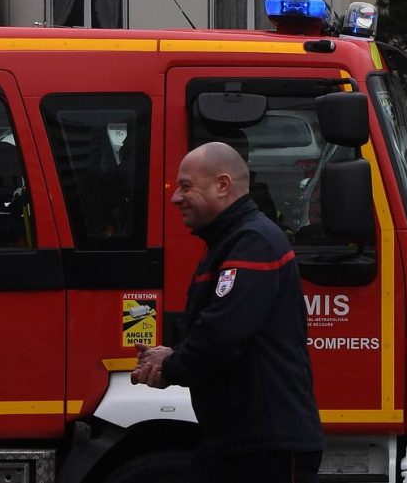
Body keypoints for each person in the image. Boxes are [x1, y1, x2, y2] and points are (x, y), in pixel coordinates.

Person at [132, 142, 323, 483]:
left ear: (222, 186)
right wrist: (174, 354)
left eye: (186, 186)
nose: (175, 197)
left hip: (266, 450)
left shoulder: (253, 242)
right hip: (235, 444)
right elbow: (219, 328)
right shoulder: (230, 242)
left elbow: (223, 332)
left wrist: (171, 367)